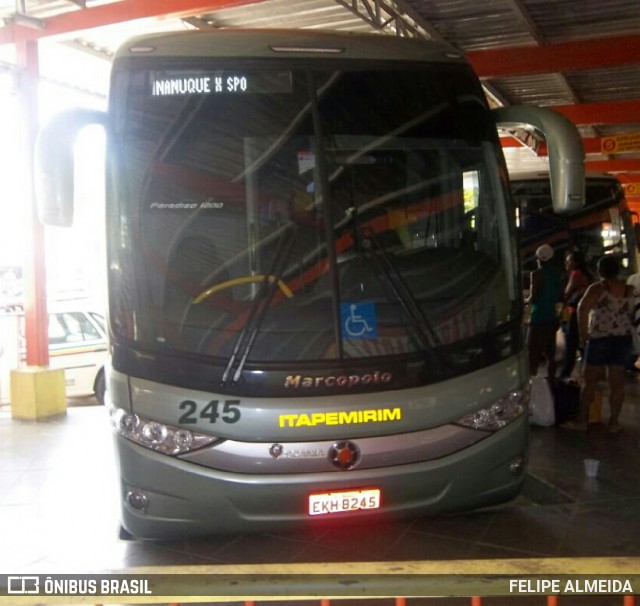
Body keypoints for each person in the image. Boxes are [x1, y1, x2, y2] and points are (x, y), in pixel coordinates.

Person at [563, 255, 634, 433]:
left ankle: (582, 420)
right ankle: (614, 422)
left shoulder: (597, 288)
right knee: (617, 382)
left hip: (599, 339)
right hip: (622, 339)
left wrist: (583, 335)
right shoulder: (629, 289)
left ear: (600, 270)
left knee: (589, 382)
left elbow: (582, 309)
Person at [527, 243, 563, 379]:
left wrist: (528, 300)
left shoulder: (536, 274)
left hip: (538, 318)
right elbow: (560, 295)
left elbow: (534, 298)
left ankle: (531, 383)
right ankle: (551, 382)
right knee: (550, 355)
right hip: (552, 317)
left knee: (532, 354)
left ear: (538, 259)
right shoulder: (556, 274)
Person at [560, 250, 591, 379]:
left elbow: (566, 293)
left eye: (569, 260)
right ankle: (587, 371)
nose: (567, 263)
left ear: (576, 262)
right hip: (583, 312)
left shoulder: (576, 274)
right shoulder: (585, 275)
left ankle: (566, 374)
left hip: (573, 313)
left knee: (571, 344)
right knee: (581, 343)